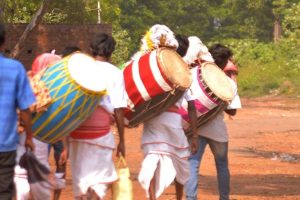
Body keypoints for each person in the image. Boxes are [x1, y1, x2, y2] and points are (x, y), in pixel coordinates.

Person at [137, 25, 198, 200]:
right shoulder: (183, 71)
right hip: (172, 120)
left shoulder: (152, 64)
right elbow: (192, 106)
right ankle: (179, 197)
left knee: (152, 158)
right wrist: (194, 135)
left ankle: (151, 197)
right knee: (180, 160)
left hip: (153, 118)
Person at [68, 33, 126, 200]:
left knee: (81, 182)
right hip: (99, 135)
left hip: (75, 133)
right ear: (111, 52)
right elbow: (119, 109)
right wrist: (122, 140)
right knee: (101, 182)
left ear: (91, 49)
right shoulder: (115, 73)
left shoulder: (80, 69)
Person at [184, 43, 242, 200]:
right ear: (224, 63)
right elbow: (232, 111)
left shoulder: (194, 73)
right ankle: (224, 198)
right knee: (222, 165)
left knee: (193, 164)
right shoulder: (227, 82)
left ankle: (191, 198)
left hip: (196, 128)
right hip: (217, 131)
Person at [0, 23, 35, 200]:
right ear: (4, 41)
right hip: (5, 144)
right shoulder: (15, 69)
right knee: (4, 191)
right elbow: (25, 109)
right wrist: (29, 137)